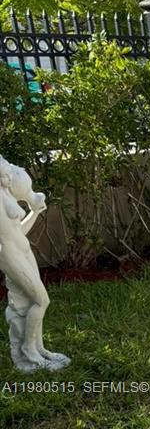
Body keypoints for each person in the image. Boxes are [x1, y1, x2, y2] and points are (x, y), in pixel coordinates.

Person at [0, 155, 70, 372]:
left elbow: (17, 231)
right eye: (11, 168)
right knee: (41, 301)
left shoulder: (5, 193)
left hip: (23, 248)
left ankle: (39, 348)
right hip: (10, 254)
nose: (15, 168)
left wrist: (35, 213)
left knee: (30, 301)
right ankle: (28, 349)